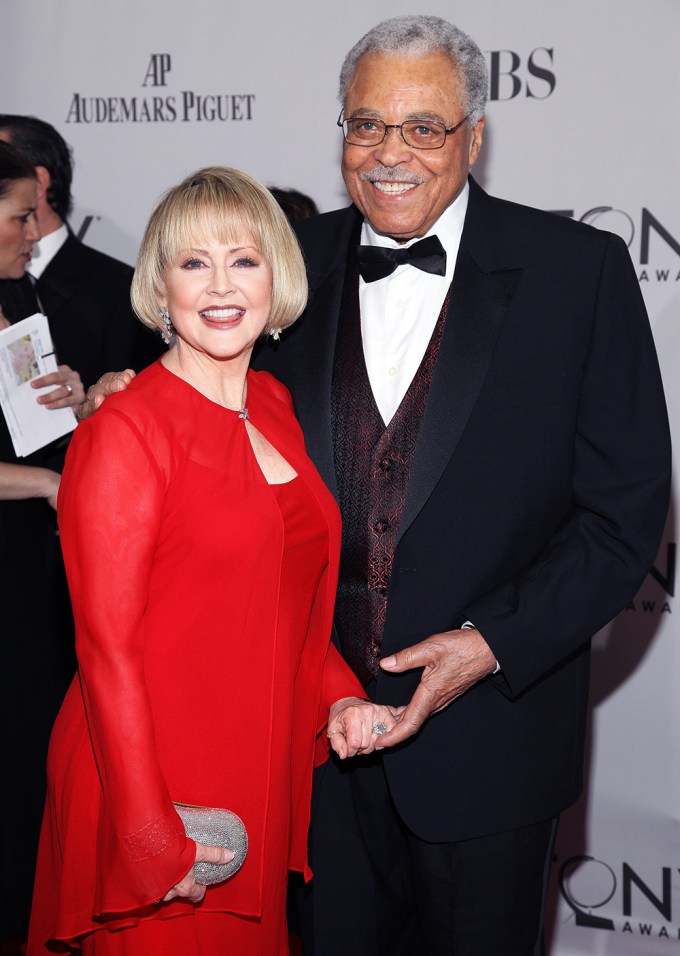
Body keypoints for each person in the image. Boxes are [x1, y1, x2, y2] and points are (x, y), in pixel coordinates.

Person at [80, 16, 672, 955]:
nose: (391, 153)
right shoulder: (286, 266)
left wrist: (490, 644)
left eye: (424, 127)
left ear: (473, 137)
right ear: (341, 133)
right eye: (367, 125)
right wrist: (124, 394)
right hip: (307, 750)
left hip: (492, 747)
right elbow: (195, 404)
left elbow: (625, 509)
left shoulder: (578, 273)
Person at [27, 166, 397, 956]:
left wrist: (336, 696)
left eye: (244, 259)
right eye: (193, 263)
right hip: (151, 781)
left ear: (278, 279)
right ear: (160, 289)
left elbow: (283, 595)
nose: (220, 286)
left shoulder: (274, 404)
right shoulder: (124, 432)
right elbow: (107, 652)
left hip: (253, 770)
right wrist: (149, 838)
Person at [0, 141, 85, 953]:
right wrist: (51, 487)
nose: (37, 231)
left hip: (35, 576)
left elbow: (32, 429)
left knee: (33, 776)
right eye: (22, 214)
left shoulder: (19, 293)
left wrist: (81, 399)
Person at [0, 114, 163, 392]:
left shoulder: (124, 289)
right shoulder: (13, 285)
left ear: (38, 182)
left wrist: (80, 407)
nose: (32, 234)